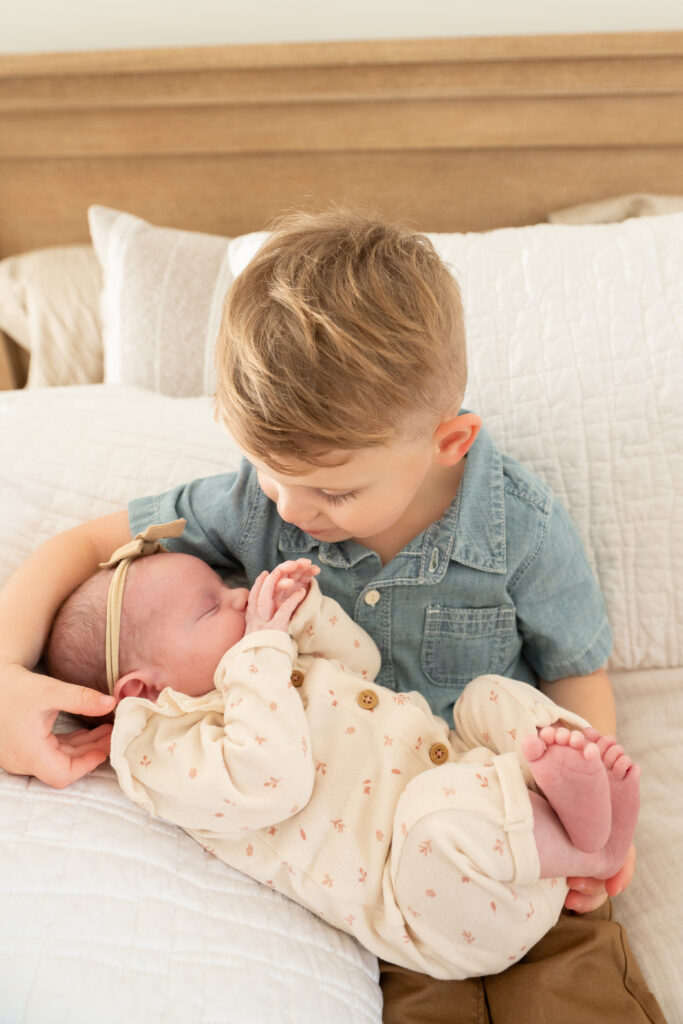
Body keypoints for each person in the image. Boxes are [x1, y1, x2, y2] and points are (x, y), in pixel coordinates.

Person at [0, 209, 664, 1021]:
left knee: (577, 984)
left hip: (513, 809)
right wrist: (4, 674)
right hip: (380, 846)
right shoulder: (257, 506)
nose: (292, 509)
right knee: (424, 994)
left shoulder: (516, 525)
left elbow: (573, 667)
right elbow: (82, 546)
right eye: (272, 475)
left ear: (448, 442)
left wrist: (596, 817)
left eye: (333, 491)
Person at [45, 538, 640, 980]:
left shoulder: (265, 667)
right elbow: (273, 781)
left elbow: (363, 665)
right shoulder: (169, 750)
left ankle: (578, 809)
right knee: (435, 819)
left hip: (481, 800)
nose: (239, 599)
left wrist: (307, 617)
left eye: (228, 588)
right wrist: (259, 651)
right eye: (211, 608)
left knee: (488, 697)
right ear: (141, 691)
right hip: (443, 904)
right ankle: (576, 837)